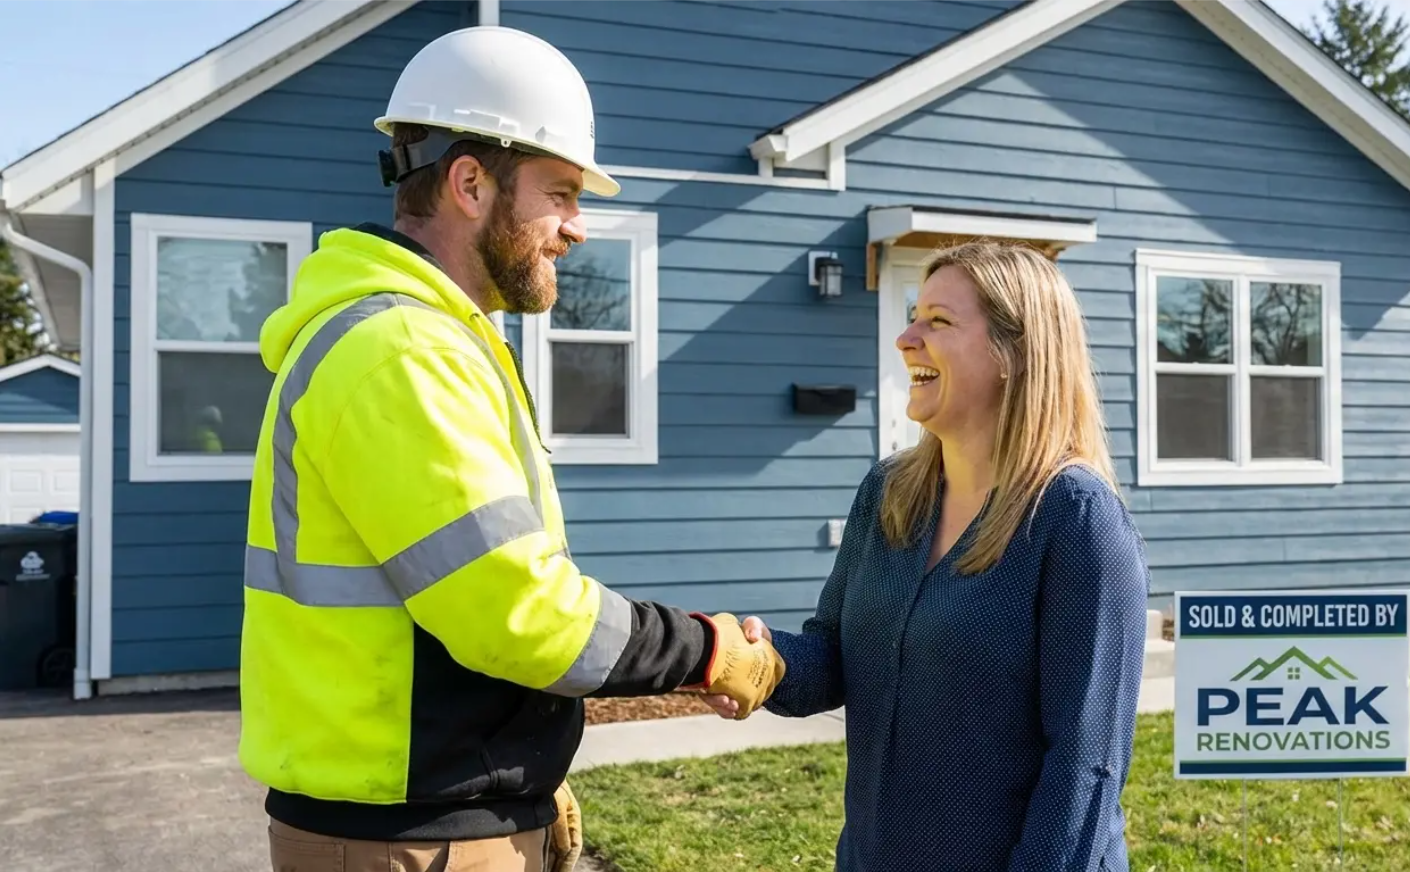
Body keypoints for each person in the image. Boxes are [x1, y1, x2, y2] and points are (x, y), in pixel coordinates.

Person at [237, 25, 783, 872]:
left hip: (431, 811)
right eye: (561, 192)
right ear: (469, 184)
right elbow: (516, 613)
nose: (577, 227)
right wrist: (706, 648)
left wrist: (520, 776)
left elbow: (458, 601)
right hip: (406, 839)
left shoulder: (428, 340)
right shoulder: (404, 352)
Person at [703, 240, 1152, 871]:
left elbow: (1086, 767)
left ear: (1013, 354)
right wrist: (760, 661)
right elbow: (835, 654)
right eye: (914, 315)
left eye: (938, 321)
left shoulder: (1076, 518)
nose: (906, 338)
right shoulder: (889, 493)